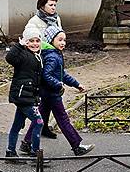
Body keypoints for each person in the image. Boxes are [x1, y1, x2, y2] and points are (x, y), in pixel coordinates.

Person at [20, 25, 93, 156]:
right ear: (50, 40)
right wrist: (58, 84)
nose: (63, 43)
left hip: (47, 93)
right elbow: (46, 75)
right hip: (52, 94)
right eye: (60, 40)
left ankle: (26, 143)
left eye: (64, 40)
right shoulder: (53, 56)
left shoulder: (53, 54)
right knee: (63, 119)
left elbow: (62, 74)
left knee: (39, 117)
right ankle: (77, 146)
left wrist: (76, 84)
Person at [23, 0, 62, 138]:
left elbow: (59, 33)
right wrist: (48, 47)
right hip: (42, 59)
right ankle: (32, 135)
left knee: (47, 100)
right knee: (46, 97)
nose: (53, 8)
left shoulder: (56, 18)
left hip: (54, 58)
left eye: (55, 5)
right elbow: (29, 40)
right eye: (50, 5)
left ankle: (42, 128)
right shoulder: (34, 22)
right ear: (42, 6)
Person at [5, 25, 44, 161]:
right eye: (31, 41)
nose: (34, 44)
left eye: (37, 41)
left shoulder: (38, 56)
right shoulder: (22, 54)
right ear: (26, 42)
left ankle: (10, 151)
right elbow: (10, 58)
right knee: (38, 122)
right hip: (22, 96)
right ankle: (35, 153)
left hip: (28, 95)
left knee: (17, 125)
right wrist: (19, 45)